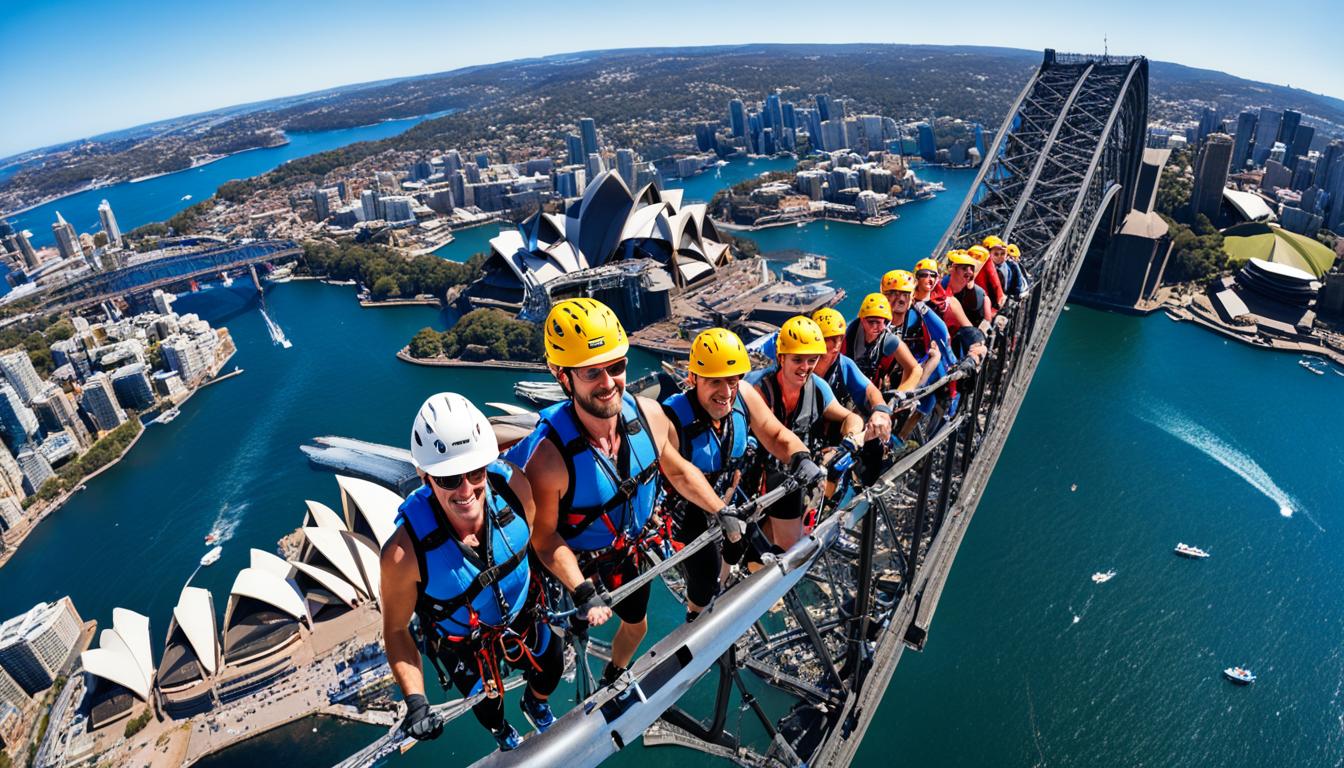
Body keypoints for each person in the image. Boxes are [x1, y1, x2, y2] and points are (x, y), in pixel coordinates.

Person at [522, 298, 734, 687]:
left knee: (636, 626)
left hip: (626, 548)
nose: (608, 383)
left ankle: (614, 674)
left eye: (617, 367)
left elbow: (677, 469)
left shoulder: (648, 414)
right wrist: (581, 588)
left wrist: (722, 511)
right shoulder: (548, 460)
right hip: (582, 562)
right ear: (561, 375)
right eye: (591, 373)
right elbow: (544, 537)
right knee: (571, 648)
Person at [381, 393, 563, 752]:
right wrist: (415, 699)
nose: (466, 490)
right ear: (424, 475)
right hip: (465, 644)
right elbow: (397, 629)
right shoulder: (403, 553)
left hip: (524, 611)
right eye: (448, 478)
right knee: (488, 707)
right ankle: (501, 731)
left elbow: (534, 543)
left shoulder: (514, 487)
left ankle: (535, 703)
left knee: (553, 665)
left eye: (477, 472)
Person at [661, 328, 824, 621]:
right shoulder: (672, 419)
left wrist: (800, 457)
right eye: (715, 382)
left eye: (732, 380)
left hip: (730, 499)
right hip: (691, 513)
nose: (726, 392)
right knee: (705, 579)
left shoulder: (744, 397)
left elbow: (774, 434)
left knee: (737, 552)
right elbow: (680, 475)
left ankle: (728, 580)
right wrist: (720, 510)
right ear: (693, 378)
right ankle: (696, 616)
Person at [745, 316, 864, 551]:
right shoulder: (759, 389)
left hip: (790, 474)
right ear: (781, 358)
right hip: (756, 476)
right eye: (797, 359)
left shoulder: (816, 387)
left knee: (789, 543)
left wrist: (849, 441)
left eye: (812, 360)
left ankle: (757, 558)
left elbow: (851, 418)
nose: (805, 367)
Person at [883, 269, 955, 442]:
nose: (899, 298)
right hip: (899, 371)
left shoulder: (918, 316)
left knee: (924, 400)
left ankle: (899, 438)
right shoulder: (877, 321)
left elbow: (942, 336)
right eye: (893, 293)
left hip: (919, 370)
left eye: (905, 294)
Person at [944, 250, 995, 329]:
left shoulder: (974, 289)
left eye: (971, 269)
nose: (969, 272)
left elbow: (982, 301)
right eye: (964, 268)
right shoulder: (945, 285)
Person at [966, 244, 1006, 310]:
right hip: (982, 299)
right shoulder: (985, 257)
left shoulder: (976, 254)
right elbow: (994, 280)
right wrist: (1000, 296)